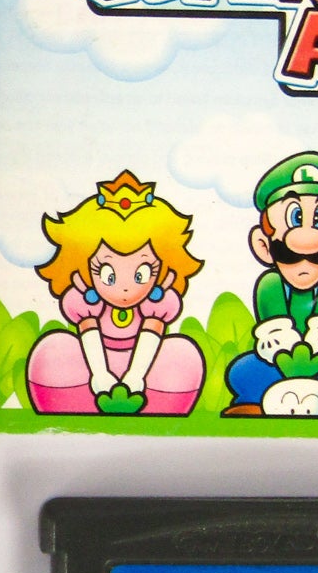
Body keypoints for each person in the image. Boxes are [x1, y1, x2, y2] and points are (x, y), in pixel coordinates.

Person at [26, 171, 205, 416]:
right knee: (53, 350)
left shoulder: (158, 303)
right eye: (108, 275)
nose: (125, 288)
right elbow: (88, 332)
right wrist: (99, 374)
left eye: (142, 274)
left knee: (183, 354)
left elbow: (152, 332)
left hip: (146, 367)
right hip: (91, 364)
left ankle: (155, 412)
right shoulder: (85, 302)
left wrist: (136, 375)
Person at [223, 151, 318, 417]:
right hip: (275, 359)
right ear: (263, 244)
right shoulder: (270, 283)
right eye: (294, 217)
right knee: (242, 372)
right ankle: (253, 403)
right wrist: (287, 357)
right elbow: (274, 331)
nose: (307, 240)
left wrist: (315, 356)